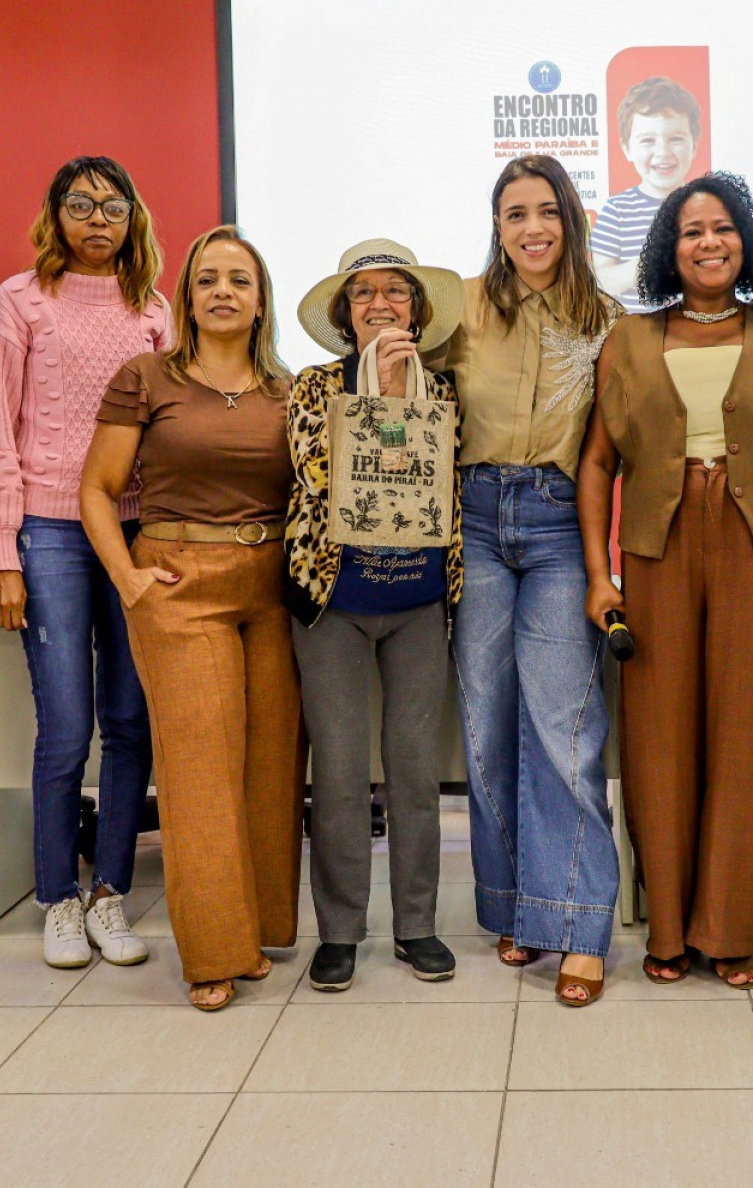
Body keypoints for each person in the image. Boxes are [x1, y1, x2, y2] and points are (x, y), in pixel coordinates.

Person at [577, 173, 753, 988]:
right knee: (656, 742)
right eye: (691, 231)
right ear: (668, 248)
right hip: (656, 548)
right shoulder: (629, 337)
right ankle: (666, 932)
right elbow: (596, 461)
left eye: (722, 228)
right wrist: (598, 572)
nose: (709, 243)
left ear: (745, 240)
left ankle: (727, 930)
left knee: (743, 736)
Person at [78, 226, 302, 1011]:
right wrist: (130, 580)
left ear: (261, 296)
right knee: (200, 768)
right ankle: (212, 953)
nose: (223, 291)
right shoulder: (147, 377)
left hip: (272, 588)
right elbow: (97, 491)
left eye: (240, 279)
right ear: (188, 295)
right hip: (180, 580)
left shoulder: (290, 390)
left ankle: (259, 928)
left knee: (270, 769)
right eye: (208, 278)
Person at [425, 154, 625, 1007]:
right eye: (516, 214)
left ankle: (579, 924)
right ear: (496, 225)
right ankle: (514, 905)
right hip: (471, 519)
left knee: (563, 724)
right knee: (485, 725)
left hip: (555, 524)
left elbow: (614, 448)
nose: (532, 228)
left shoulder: (608, 319)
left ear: (570, 219)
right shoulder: (459, 307)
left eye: (547, 211)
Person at [0, 156, 168, 970]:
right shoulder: (20, 301)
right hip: (49, 536)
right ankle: (57, 896)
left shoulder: (153, 310)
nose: (96, 219)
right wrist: (0, 554)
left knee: (131, 723)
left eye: (112, 206)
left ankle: (110, 892)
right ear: (55, 215)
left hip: (132, 534)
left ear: (132, 220)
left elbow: (168, 429)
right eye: (80, 205)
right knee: (66, 727)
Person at [285, 239, 467, 992]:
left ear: (418, 312)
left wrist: (405, 390)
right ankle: (339, 931)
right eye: (363, 294)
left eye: (396, 291)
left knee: (417, 768)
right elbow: (321, 474)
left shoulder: (450, 392)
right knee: (337, 771)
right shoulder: (310, 388)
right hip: (335, 601)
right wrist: (379, 393)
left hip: (420, 599)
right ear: (344, 315)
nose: (381, 304)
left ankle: (417, 925)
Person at [590, 76, 702, 312]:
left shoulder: (706, 205)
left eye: (676, 139)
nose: (663, 152)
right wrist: (650, 261)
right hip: (637, 338)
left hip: (696, 333)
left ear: (694, 145)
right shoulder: (617, 210)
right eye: (648, 141)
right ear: (627, 149)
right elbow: (601, 280)